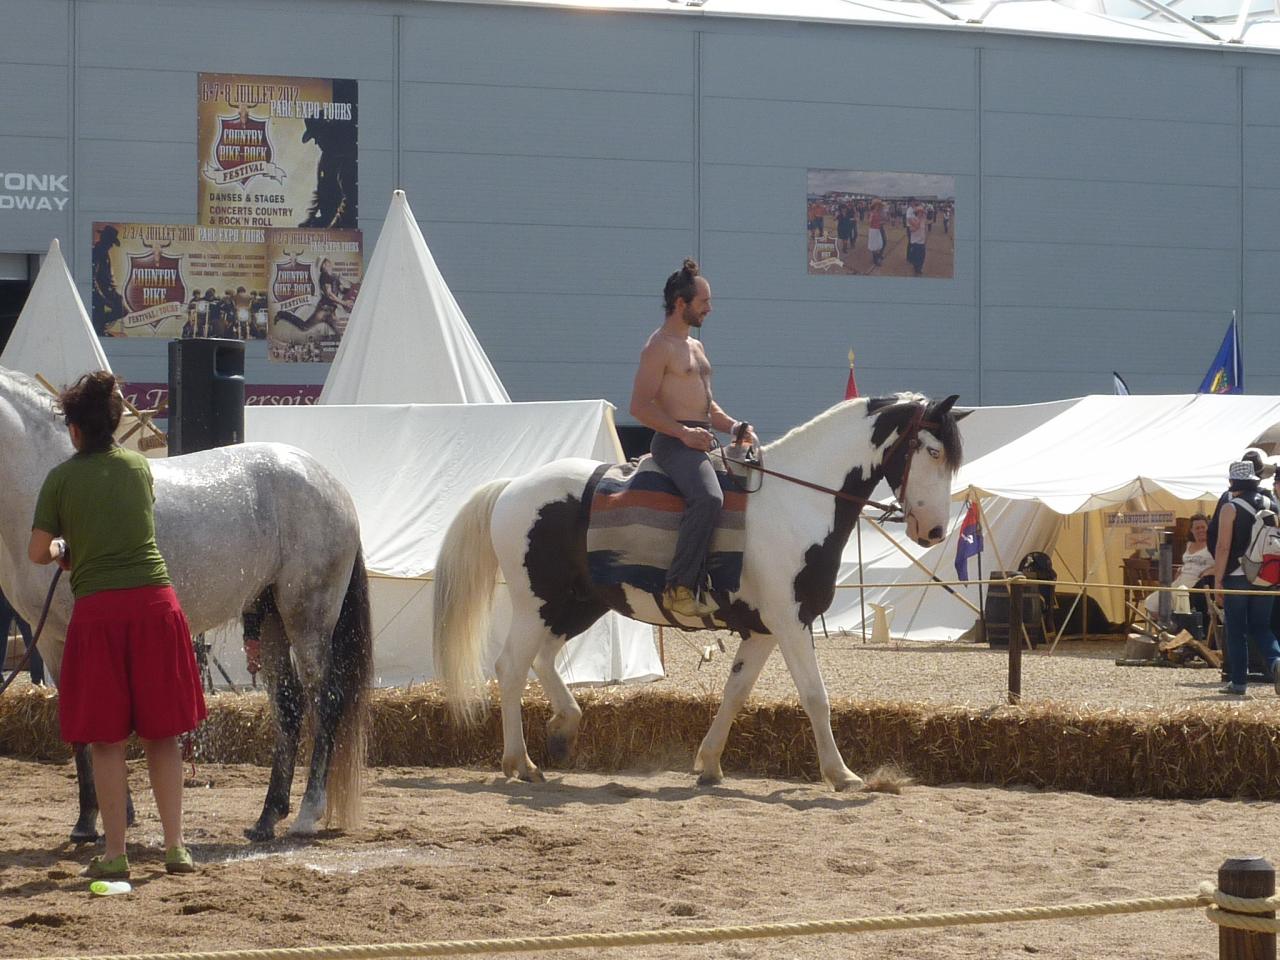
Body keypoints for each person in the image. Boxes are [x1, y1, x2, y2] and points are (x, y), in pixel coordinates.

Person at [28, 371, 206, 877]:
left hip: (99, 614)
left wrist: (66, 548)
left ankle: (115, 854)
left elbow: (38, 552)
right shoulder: (138, 468)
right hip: (156, 606)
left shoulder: (60, 478)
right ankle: (175, 847)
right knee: (163, 735)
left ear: (75, 431)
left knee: (107, 741)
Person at [629, 258, 757, 617]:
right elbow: (639, 406)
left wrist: (733, 427)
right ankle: (679, 587)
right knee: (707, 498)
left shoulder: (696, 347)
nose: (710, 309)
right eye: (704, 302)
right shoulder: (658, 346)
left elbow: (706, 404)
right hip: (673, 442)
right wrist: (684, 434)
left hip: (701, 438)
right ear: (681, 304)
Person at [1210, 460, 1280, 696]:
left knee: (1236, 629)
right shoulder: (1274, 504)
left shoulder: (1230, 507)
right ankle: (1276, 661)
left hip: (1237, 576)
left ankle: (1239, 683)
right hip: (1268, 576)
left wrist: (1218, 580)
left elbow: (1222, 547)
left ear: (1232, 482)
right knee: (1262, 627)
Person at [1143, 513, 1214, 640]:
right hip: (1180, 580)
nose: (1201, 530)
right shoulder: (1189, 545)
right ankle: (1169, 627)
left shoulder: (1212, 546)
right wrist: (1180, 568)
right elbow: (1186, 562)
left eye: (1203, 527)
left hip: (1195, 583)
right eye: (1197, 528)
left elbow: (1220, 563)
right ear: (1192, 530)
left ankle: (1175, 629)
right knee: (1151, 602)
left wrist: (1209, 571)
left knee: (1175, 602)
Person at [0, 586, 43, 685]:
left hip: (18, 590)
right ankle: (38, 679)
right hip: (17, 590)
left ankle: (38, 679)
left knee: (32, 638)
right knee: (32, 638)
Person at [906, 200, 928, 276]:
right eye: (920, 212)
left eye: (922, 212)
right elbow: (911, 229)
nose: (921, 214)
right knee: (916, 257)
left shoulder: (923, 219)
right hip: (916, 242)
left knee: (922, 256)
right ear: (917, 213)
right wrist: (918, 223)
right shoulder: (913, 219)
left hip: (922, 241)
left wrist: (925, 238)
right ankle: (917, 269)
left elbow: (924, 229)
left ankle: (919, 268)